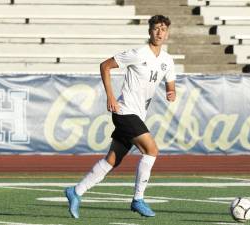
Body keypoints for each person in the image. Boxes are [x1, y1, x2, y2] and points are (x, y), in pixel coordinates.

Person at [64, 15, 176, 219]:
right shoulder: (139, 53)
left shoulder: (167, 60)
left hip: (138, 114)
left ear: (167, 33)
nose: (159, 32)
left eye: (163, 29)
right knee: (151, 150)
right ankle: (138, 199)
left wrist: (171, 92)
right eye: (156, 28)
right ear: (149, 31)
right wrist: (111, 96)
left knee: (112, 160)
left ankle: (75, 191)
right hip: (125, 111)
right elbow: (105, 65)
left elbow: (170, 84)